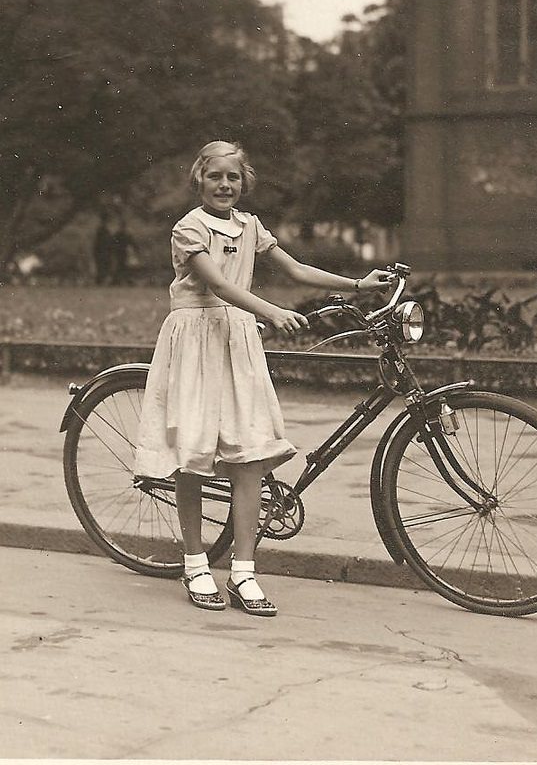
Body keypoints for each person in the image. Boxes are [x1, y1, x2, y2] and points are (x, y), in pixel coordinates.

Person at [134, 140, 392, 617]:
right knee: (193, 454)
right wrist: (270, 310)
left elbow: (295, 268)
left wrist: (358, 284)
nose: (225, 185)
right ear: (200, 179)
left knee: (249, 456)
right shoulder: (189, 228)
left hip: (237, 343)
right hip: (196, 340)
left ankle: (244, 571)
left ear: (244, 182)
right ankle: (195, 564)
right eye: (215, 177)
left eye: (233, 177)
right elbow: (219, 284)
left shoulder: (249, 226)